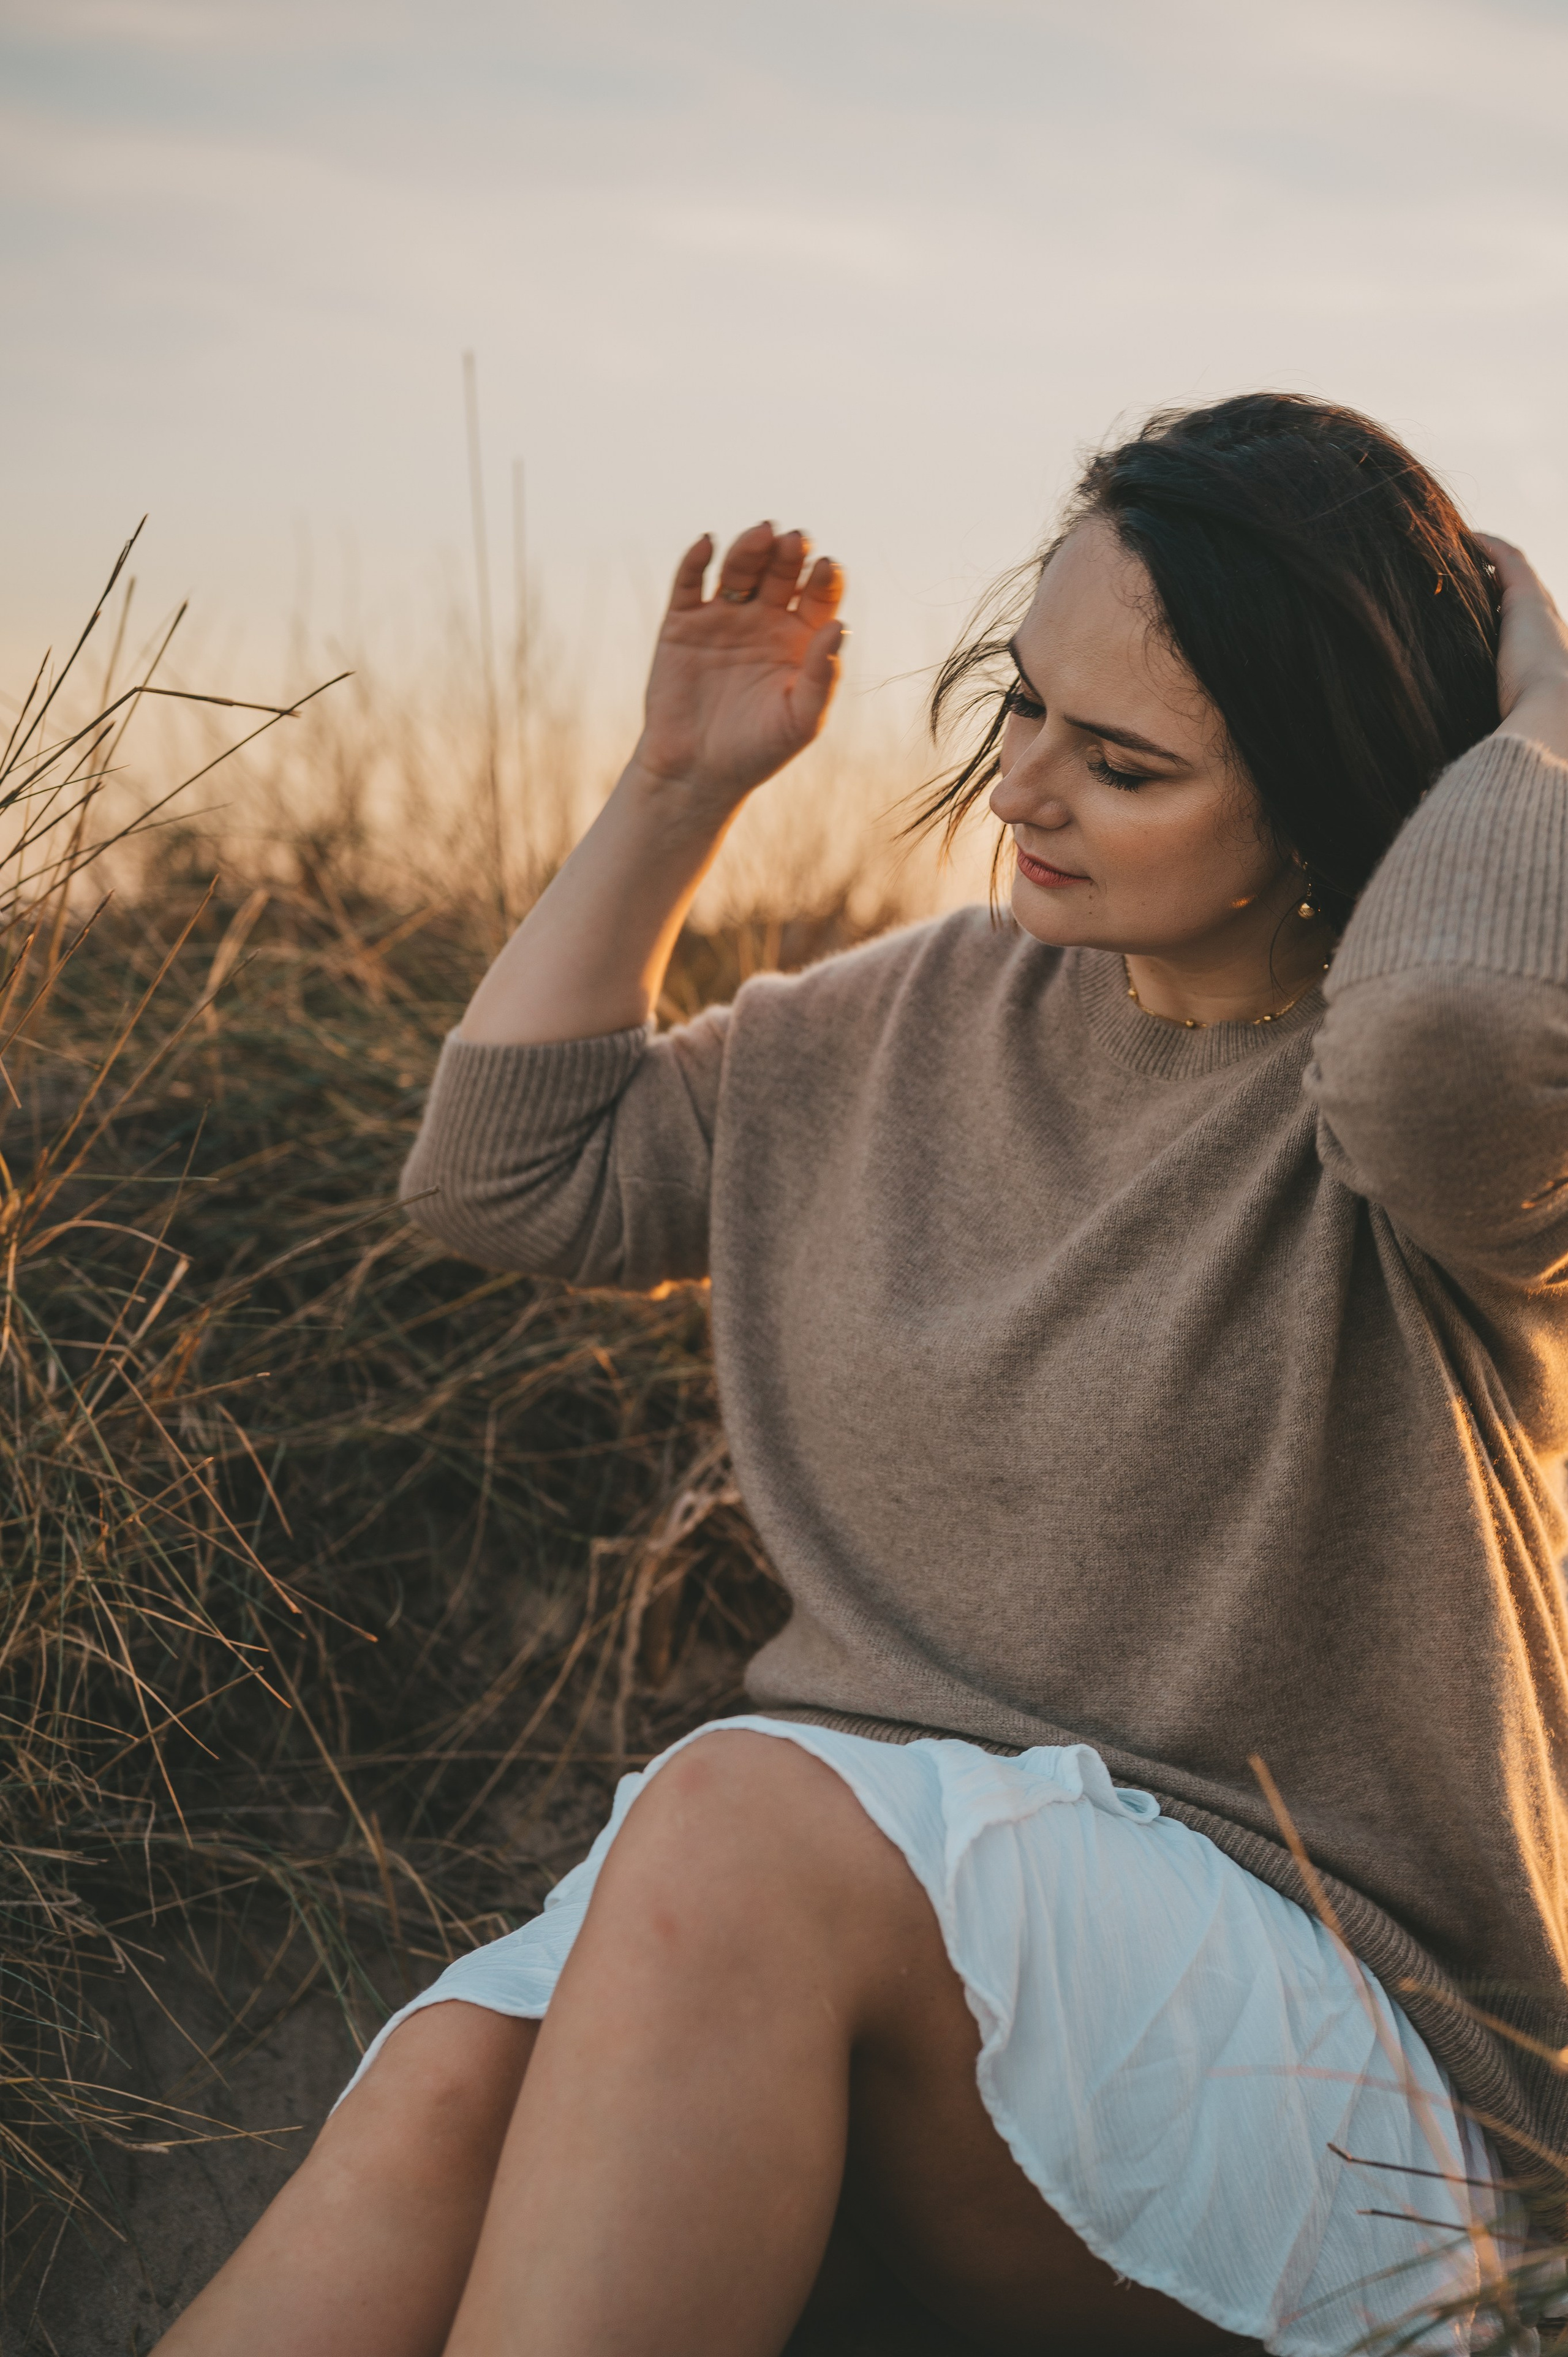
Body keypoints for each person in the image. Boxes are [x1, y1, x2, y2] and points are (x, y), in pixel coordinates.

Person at [157, 393, 1568, 2357]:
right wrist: (677, 786)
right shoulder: (913, 1018)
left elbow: (1458, 1035)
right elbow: (506, 1173)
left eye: (1126, 765)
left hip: (1330, 2049)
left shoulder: (1439, 1153)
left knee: (736, 1820)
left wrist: (1543, 722)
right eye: (1023, 705)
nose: (1023, 791)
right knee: (453, 2086)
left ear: (1326, 792)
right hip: (854, 1936)